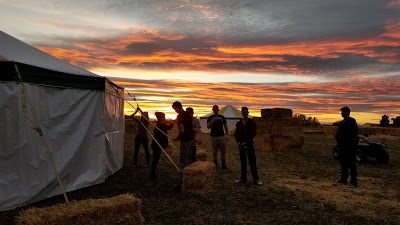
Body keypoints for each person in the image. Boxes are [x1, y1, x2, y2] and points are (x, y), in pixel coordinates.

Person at [235, 107, 262, 186]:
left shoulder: (251, 123)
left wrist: (246, 142)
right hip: (241, 145)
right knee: (243, 162)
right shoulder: (239, 123)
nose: (244, 113)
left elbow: (253, 133)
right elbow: (237, 134)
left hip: (249, 145)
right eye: (243, 112)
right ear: (241, 113)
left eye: (245, 112)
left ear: (248, 112)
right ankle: (243, 178)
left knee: (252, 161)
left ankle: (256, 179)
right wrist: (239, 142)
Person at [335, 106, 358, 188]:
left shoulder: (351, 121)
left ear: (348, 112)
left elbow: (353, 133)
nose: (342, 113)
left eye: (344, 111)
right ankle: (344, 179)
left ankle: (353, 182)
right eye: (342, 111)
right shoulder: (342, 122)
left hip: (349, 146)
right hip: (342, 146)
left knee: (351, 164)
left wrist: (351, 143)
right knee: (343, 163)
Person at [150, 112, 174, 180]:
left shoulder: (163, 125)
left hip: (161, 145)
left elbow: (168, 128)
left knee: (157, 158)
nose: (165, 118)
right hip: (157, 145)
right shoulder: (157, 127)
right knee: (155, 159)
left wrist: (172, 124)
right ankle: (153, 174)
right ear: (160, 118)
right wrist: (164, 144)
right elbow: (158, 138)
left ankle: (153, 172)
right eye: (164, 117)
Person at [172, 101, 195, 169]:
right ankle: (189, 175)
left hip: (185, 140)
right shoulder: (188, 114)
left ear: (176, 107)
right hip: (191, 139)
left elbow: (182, 130)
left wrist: (177, 138)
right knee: (189, 159)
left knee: (183, 161)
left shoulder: (180, 116)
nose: (175, 111)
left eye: (174, 109)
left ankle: (184, 176)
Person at [207, 105, 229, 169]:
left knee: (223, 151)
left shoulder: (222, 117)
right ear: (212, 110)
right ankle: (215, 164)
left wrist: (227, 135)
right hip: (213, 137)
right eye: (214, 109)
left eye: (216, 109)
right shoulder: (210, 117)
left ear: (218, 109)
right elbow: (208, 127)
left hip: (221, 136)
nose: (215, 110)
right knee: (214, 152)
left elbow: (226, 127)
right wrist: (212, 122)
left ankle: (223, 165)